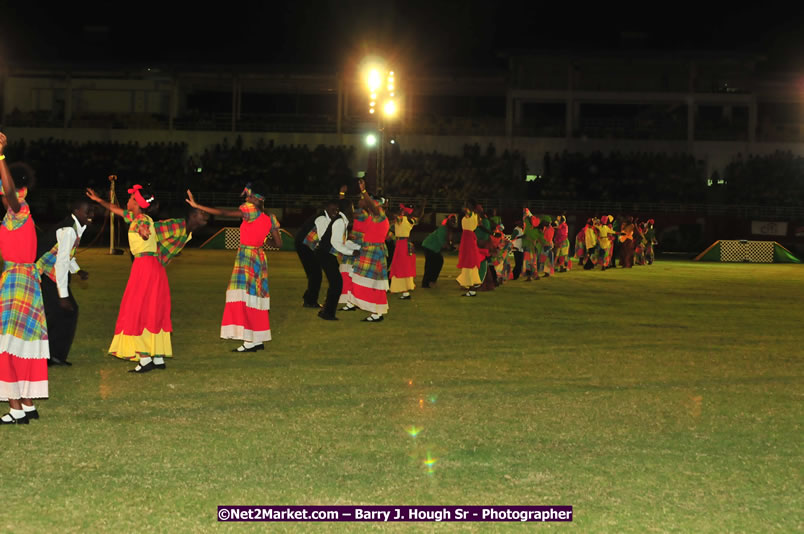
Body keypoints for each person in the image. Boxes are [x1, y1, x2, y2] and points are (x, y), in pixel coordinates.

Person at [86, 184, 173, 373]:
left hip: (144, 268)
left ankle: (145, 359)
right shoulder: (138, 217)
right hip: (153, 267)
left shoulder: (141, 220)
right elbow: (116, 210)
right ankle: (157, 357)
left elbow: (143, 227)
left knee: (137, 309)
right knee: (152, 308)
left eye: (131, 197)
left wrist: (143, 232)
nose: (127, 200)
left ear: (136, 202)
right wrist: (99, 200)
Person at [186, 185, 281, 351]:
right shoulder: (270, 217)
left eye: (249, 196)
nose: (246, 198)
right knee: (255, 299)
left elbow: (224, 213)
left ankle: (249, 341)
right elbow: (278, 243)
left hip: (246, 258)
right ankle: (257, 339)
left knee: (243, 298)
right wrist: (263, 241)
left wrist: (197, 206)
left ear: (257, 199)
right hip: (259, 258)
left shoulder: (251, 210)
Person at [0, 140, 48, 424]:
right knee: (21, 345)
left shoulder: (21, 211)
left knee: (6, 345)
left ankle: (16, 407)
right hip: (20, 283)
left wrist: (0, 155)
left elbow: (8, 190)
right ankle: (27, 404)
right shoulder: (9, 219)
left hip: (18, 284)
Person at [35, 199, 93, 367]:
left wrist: (77, 270)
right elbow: (60, 263)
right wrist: (63, 296)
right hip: (45, 275)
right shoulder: (68, 230)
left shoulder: (76, 227)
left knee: (62, 314)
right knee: (60, 313)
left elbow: (67, 255)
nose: (91, 214)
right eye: (87, 211)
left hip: (52, 275)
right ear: (76, 210)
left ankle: (53, 356)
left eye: (92, 211)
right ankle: (49, 356)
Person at [348, 179, 389, 322]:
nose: (364, 202)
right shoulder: (372, 218)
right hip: (369, 251)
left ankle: (377, 313)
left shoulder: (380, 215)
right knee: (369, 283)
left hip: (374, 252)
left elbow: (372, 206)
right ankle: (375, 311)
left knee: (374, 284)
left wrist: (364, 191)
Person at [314, 198, 359, 320]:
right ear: (347, 209)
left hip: (326, 254)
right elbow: (336, 243)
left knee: (335, 283)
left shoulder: (342, 221)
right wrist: (352, 252)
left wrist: (357, 247)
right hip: (325, 254)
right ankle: (328, 313)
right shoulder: (340, 222)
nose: (353, 210)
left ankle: (326, 311)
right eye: (352, 207)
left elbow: (343, 242)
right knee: (337, 284)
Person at [389, 201, 424, 300]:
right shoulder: (411, 220)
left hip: (401, 245)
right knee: (406, 267)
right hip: (407, 244)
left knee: (400, 267)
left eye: (401, 209)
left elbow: (392, 216)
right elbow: (420, 216)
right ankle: (405, 289)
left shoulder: (401, 219)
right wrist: (422, 207)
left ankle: (403, 290)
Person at [456, 202, 485, 296]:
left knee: (468, 262)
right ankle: (472, 287)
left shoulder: (471, 215)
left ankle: (471, 287)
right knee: (470, 262)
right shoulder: (476, 216)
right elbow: (480, 224)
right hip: (470, 238)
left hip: (467, 239)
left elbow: (466, 211)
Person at [421, 214, 456, 288]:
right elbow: (443, 243)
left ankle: (430, 281)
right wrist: (450, 247)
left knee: (437, 262)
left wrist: (451, 246)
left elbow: (448, 241)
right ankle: (427, 282)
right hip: (429, 246)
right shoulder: (443, 229)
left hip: (433, 248)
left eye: (454, 221)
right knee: (431, 264)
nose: (453, 223)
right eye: (452, 221)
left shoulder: (448, 230)